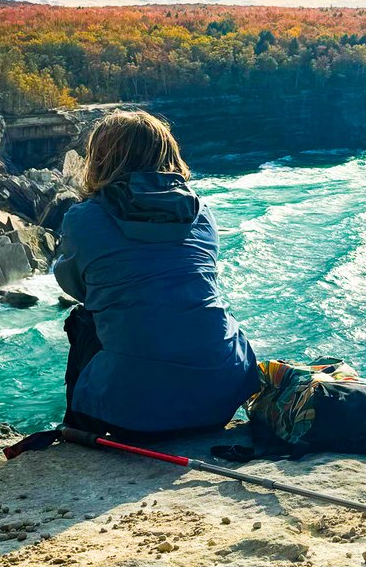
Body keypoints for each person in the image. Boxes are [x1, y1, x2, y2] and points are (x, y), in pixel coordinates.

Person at [53, 110, 259, 439]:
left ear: (101, 158)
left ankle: (79, 425)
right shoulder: (201, 213)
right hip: (221, 393)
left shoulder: (85, 217)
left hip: (133, 412)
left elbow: (80, 287)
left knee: (83, 320)